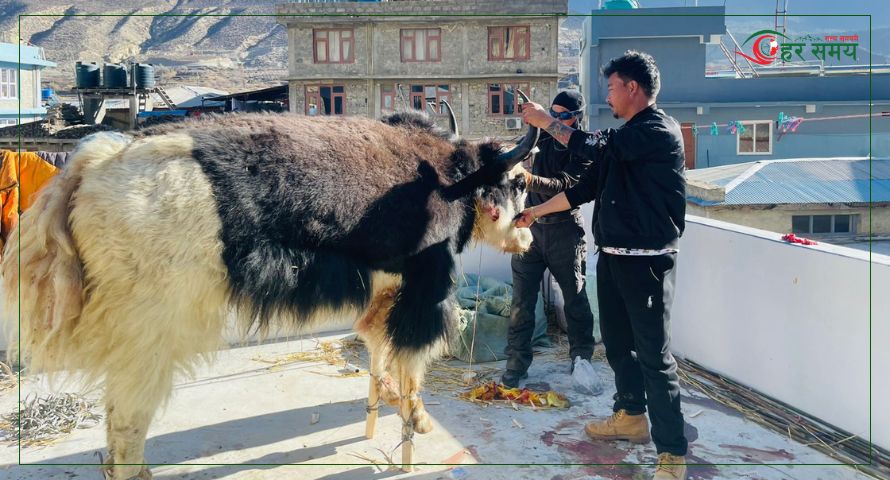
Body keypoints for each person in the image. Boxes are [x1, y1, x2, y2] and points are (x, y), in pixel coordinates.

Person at [517, 50, 688, 480]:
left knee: (654, 355)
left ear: (633, 88)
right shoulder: (624, 138)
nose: (607, 96)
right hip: (611, 260)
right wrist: (533, 214)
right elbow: (582, 189)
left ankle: (672, 453)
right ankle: (631, 415)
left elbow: (588, 143)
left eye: (611, 87)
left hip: (647, 264)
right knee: (615, 346)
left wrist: (544, 122)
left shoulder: (656, 131)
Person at [501, 90, 597, 389]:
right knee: (521, 302)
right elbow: (513, 157)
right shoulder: (537, 139)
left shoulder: (584, 147)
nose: (555, 119)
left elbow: (565, 186)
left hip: (564, 232)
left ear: (576, 118)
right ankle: (516, 363)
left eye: (562, 115)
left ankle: (581, 359)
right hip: (530, 230)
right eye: (551, 113)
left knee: (575, 299)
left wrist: (530, 180)